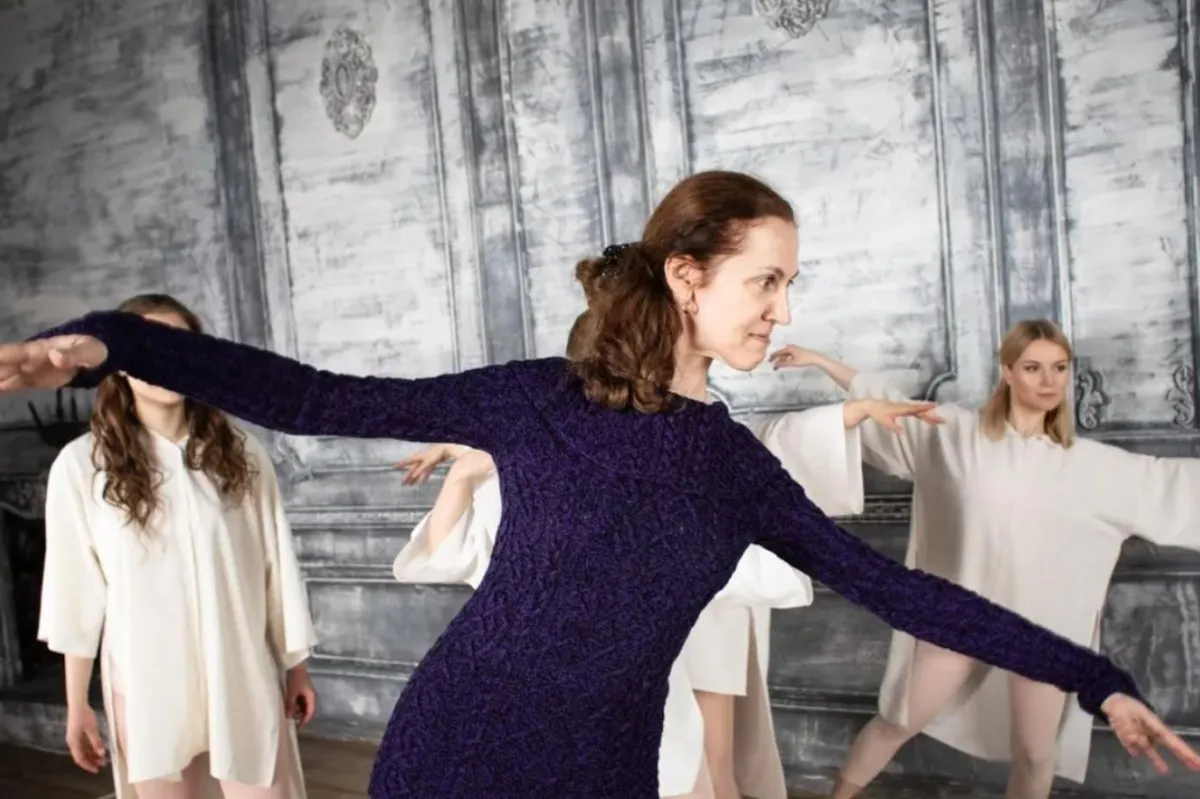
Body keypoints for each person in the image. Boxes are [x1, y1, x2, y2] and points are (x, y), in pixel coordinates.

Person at [1, 172, 1195, 799]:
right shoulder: (537, 398)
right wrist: (116, 342)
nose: (784, 308)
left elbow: (909, 594)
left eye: (791, 284)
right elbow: (318, 397)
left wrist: (1094, 679)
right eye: (767, 281)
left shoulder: (734, 466)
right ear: (687, 275)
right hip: (458, 746)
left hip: (606, 766)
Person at [387, 314, 927, 799]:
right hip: (581, 677)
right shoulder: (541, 461)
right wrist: (468, 465)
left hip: (671, 643)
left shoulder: (670, 440)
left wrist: (851, 412)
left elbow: (759, 460)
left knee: (708, 761)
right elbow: (453, 552)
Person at [770, 319, 1200, 799]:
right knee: (897, 721)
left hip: (1043, 632)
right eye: (1033, 368)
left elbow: (1170, 484)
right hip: (960, 617)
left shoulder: (1092, 465)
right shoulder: (956, 432)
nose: (1049, 380)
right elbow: (886, 401)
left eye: (1059, 368)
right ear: (1008, 372)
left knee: (1036, 753)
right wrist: (822, 362)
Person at [35, 294, 319, 799]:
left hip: (241, 673)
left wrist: (296, 668)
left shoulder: (242, 455)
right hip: (147, 682)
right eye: (146, 347)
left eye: (176, 346)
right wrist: (77, 705)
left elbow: (276, 568)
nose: (162, 362)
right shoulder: (82, 466)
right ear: (119, 364)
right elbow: (73, 594)